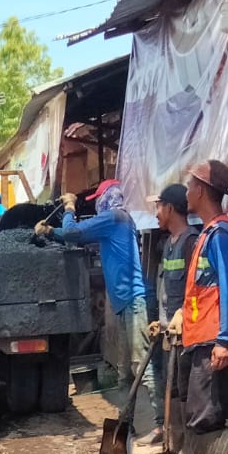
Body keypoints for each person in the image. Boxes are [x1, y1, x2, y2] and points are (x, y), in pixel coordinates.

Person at [37, 179, 152, 429]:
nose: (98, 204)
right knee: (125, 372)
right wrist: (51, 232)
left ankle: (163, 424)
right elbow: (78, 237)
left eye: (99, 199)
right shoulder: (117, 221)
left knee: (143, 364)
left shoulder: (115, 218)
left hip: (133, 302)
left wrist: (69, 210)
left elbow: (73, 233)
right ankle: (126, 423)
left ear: (108, 197)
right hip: (124, 303)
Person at [177, 160, 228, 454]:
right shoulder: (207, 233)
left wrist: (225, 340)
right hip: (199, 336)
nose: (186, 193)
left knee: (208, 409)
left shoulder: (221, 234)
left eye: (189, 187)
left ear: (201, 190)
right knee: (195, 407)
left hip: (213, 338)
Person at [145, 184, 201, 449]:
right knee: (172, 388)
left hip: (188, 334)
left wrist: (182, 314)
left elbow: (198, 289)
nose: (156, 213)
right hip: (171, 334)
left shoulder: (191, 242)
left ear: (169, 208)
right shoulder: (168, 244)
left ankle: (189, 451)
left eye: (158, 206)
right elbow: (168, 288)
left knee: (186, 392)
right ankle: (175, 446)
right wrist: (162, 321)